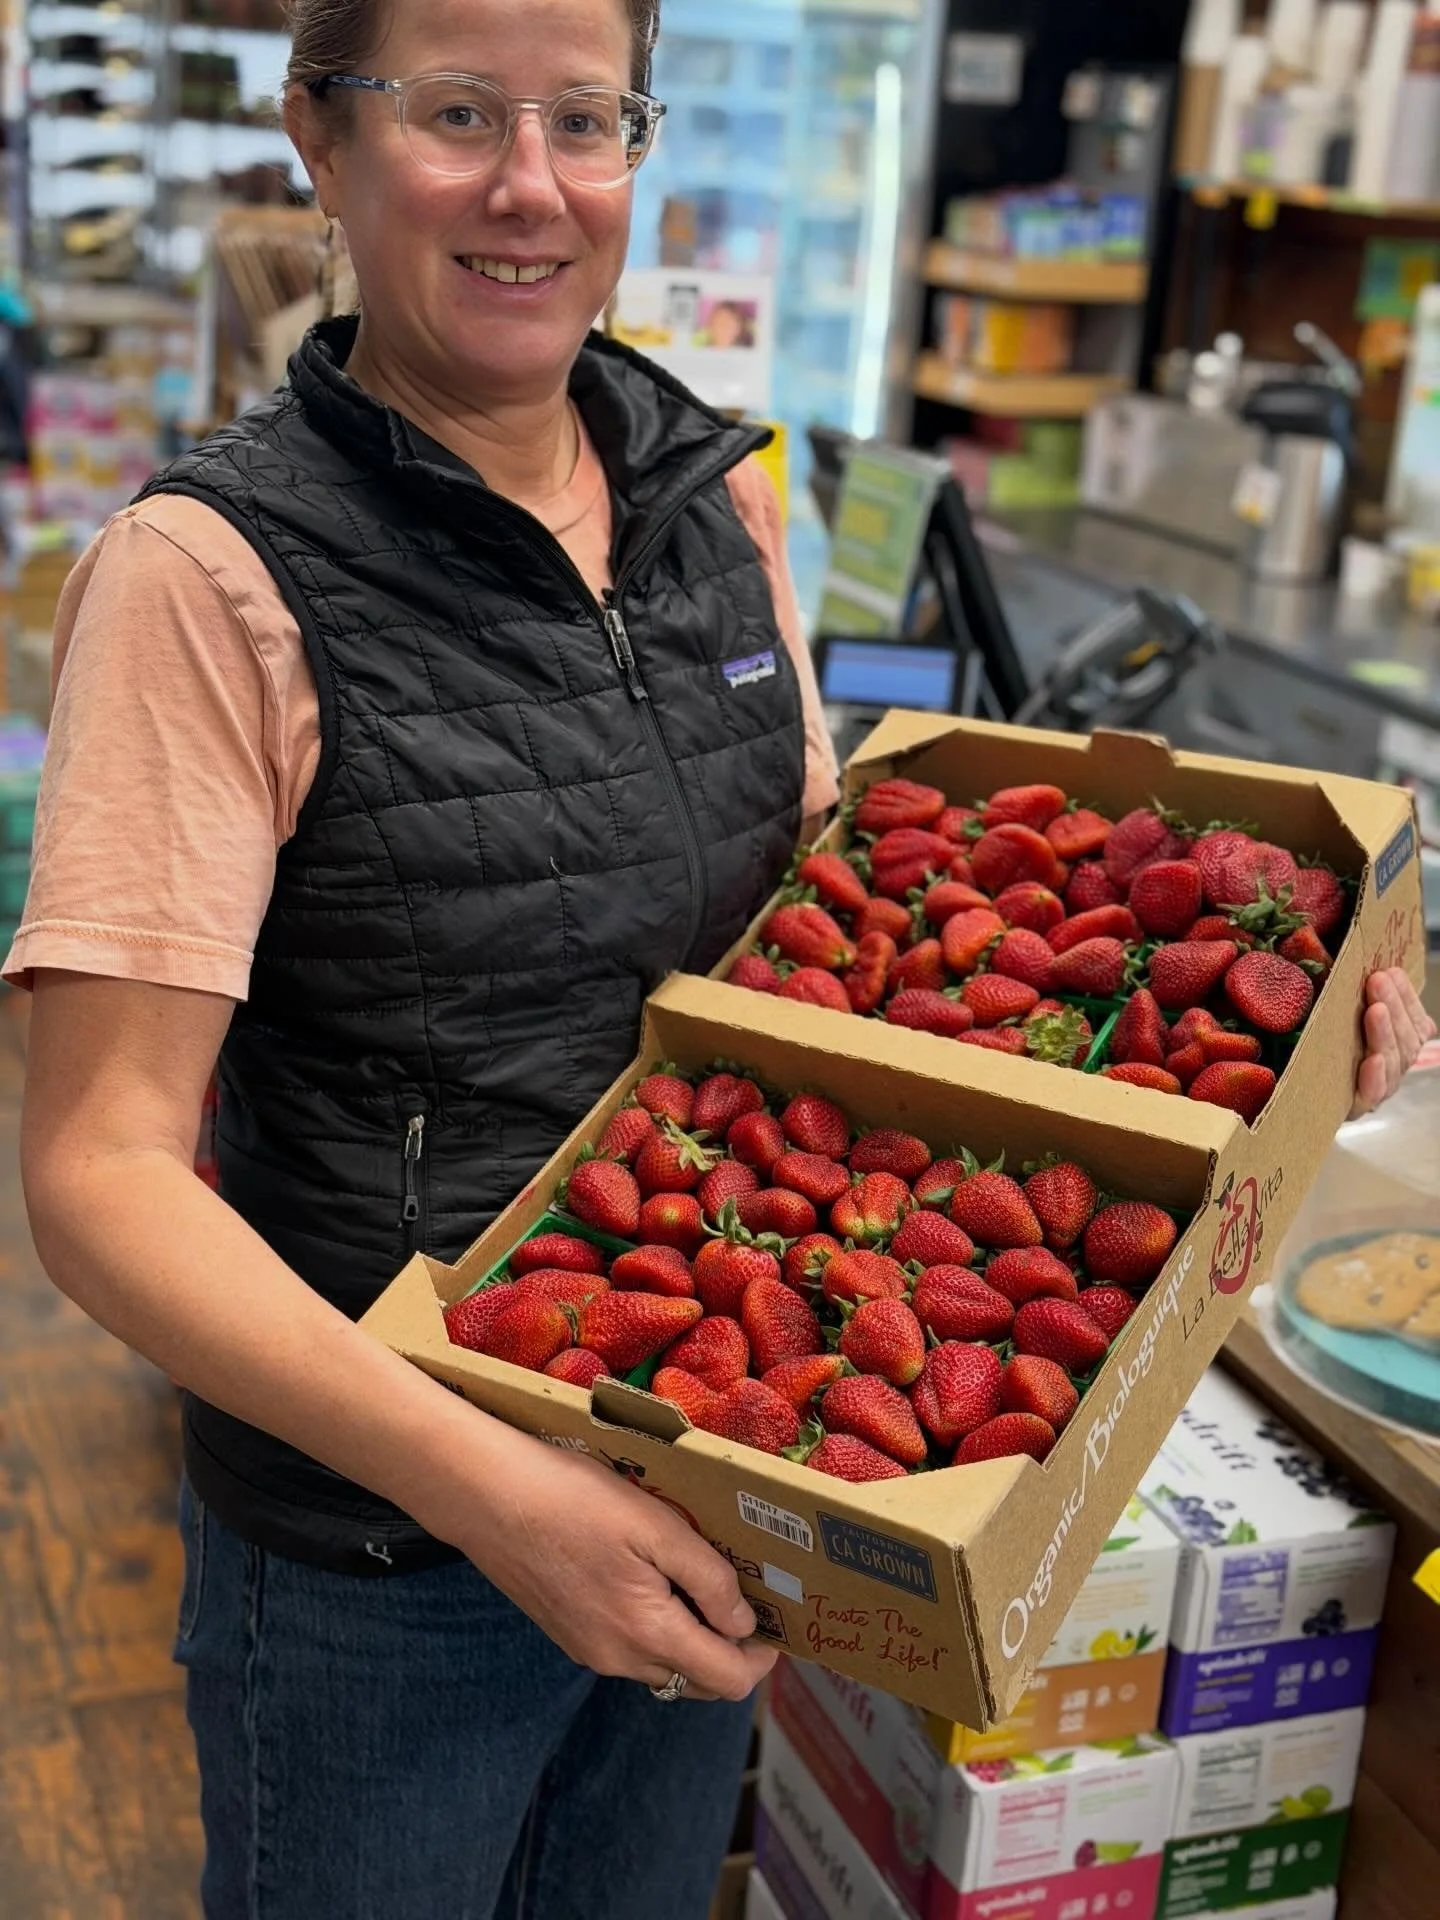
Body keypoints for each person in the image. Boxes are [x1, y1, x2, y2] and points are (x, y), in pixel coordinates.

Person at [9, 0, 1432, 1916]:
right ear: (319, 140)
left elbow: (835, 959)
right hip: (387, 1558)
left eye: (586, 117)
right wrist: (495, 1490)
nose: (532, 183)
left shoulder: (715, 497)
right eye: (454, 111)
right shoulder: (208, 581)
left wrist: (1265, 1066)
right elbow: (99, 1175)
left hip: (719, 1491)